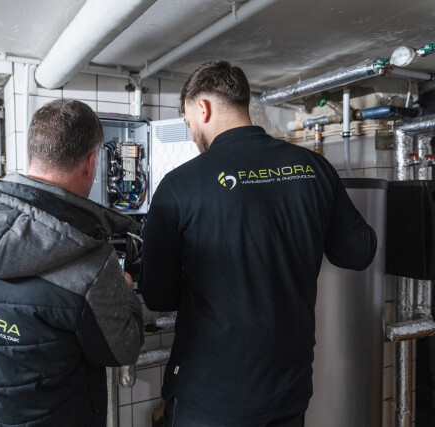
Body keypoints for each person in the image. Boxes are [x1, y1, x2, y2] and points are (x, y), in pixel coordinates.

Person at [140, 61, 377, 427]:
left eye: (188, 123)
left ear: (202, 108)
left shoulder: (179, 185)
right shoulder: (313, 167)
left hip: (209, 397)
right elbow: (359, 253)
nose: (192, 135)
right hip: (288, 390)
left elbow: (158, 296)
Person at [0, 99, 144, 427]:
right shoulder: (91, 265)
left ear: (34, 153)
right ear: (90, 164)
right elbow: (123, 349)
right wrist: (126, 293)